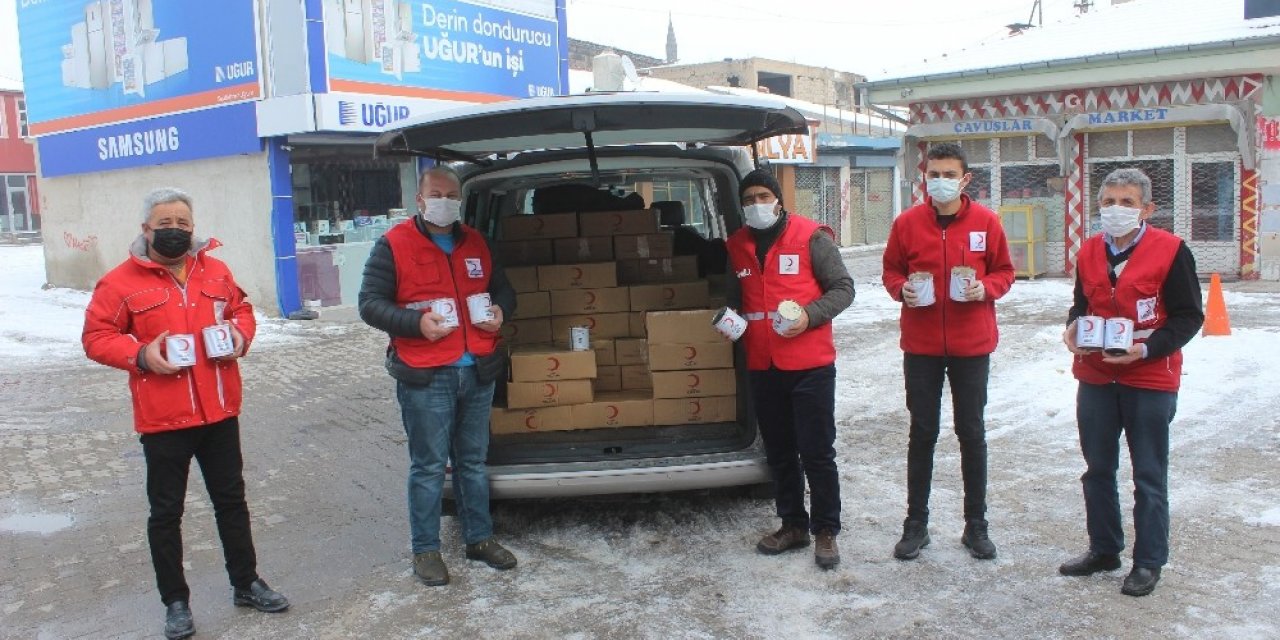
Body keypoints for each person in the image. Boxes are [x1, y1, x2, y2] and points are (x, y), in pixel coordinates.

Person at [82, 188, 288, 640]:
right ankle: (175, 601)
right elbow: (96, 336)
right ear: (146, 229)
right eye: (165, 224)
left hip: (219, 411)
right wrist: (140, 354)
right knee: (166, 513)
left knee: (231, 501)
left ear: (193, 228)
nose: (174, 231)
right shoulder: (120, 283)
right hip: (163, 419)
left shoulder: (214, 271)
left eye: (182, 224)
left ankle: (246, 582)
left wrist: (239, 335)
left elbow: (242, 310)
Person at [359, 165, 517, 586]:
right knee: (429, 467)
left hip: (477, 369)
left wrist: (501, 311)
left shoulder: (476, 242)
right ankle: (425, 550)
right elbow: (370, 304)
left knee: (471, 462)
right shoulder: (393, 244)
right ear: (420, 199)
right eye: (437, 193)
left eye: (451, 194)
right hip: (426, 375)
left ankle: (479, 539)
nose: (444, 201)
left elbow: (503, 290)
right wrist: (415, 324)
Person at [1059, 167, 1203, 597]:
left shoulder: (1171, 250)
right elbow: (1081, 304)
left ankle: (1148, 561)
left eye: (1127, 202)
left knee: (1148, 475)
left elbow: (1189, 317)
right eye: (1109, 202)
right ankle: (1104, 548)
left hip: (1149, 376)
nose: (1116, 210)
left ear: (1147, 209)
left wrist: (1146, 349)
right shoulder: (1088, 251)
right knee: (1098, 469)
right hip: (1097, 376)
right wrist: (1072, 330)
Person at [882, 142, 1015, 562]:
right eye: (933, 174)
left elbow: (1005, 271)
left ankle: (976, 525)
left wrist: (986, 288)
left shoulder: (987, 222)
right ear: (924, 178)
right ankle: (915, 523)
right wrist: (899, 289)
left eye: (948, 174)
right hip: (920, 346)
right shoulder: (906, 223)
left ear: (965, 179)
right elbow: (891, 269)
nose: (940, 182)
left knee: (971, 432)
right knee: (922, 432)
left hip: (971, 345)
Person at [726, 168, 854, 570]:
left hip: (810, 364)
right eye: (748, 199)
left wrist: (810, 316)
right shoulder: (737, 245)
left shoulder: (811, 236)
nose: (755, 205)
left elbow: (843, 288)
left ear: (779, 200)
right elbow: (737, 298)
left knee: (816, 452)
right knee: (780, 452)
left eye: (763, 196)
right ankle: (792, 525)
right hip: (763, 365)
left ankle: (826, 530)